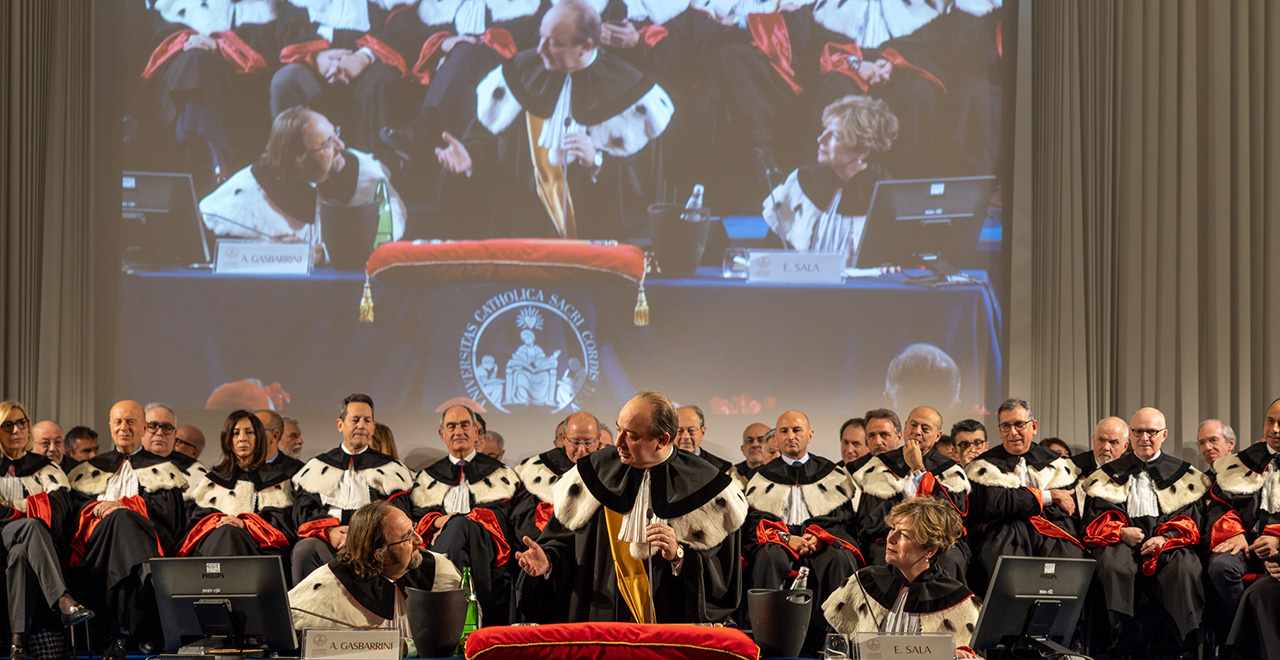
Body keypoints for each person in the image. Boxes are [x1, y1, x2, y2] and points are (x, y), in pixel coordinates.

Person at [434, 0, 674, 240]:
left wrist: (597, 160)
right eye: (541, 37)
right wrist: (470, 160)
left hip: (591, 233)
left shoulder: (631, 92)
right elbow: (490, 146)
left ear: (586, 46)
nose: (540, 50)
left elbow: (642, 187)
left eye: (554, 43)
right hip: (523, 231)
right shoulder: (517, 75)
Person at [515, 389, 747, 624]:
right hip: (601, 619)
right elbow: (565, 544)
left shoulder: (709, 488)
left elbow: (722, 580)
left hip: (668, 622)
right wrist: (548, 562)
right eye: (619, 430)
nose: (618, 443)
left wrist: (678, 555)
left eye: (631, 436)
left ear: (662, 440)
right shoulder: (592, 474)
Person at [1079, 406, 1210, 657]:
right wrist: (1120, 532)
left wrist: (1165, 538)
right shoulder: (1107, 475)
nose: (1144, 438)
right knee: (1113, 566)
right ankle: (1120, 641)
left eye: (1151, 432)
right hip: (1121, 542)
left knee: (1185, 569)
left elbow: (1191, 522)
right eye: (1138, 432)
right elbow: (1094, 521)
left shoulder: (1184, 474)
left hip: (1167, 544)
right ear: (1130, 434)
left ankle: (1181, 644)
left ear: (1164, 434)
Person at [67, 400, 189, 659]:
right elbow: (75, 514)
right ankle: (148, 625)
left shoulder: (163, 469)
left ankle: (118, 637)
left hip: (144, 542)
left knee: (124, 526)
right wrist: (103, 510)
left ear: (143, 428)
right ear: (110, 427)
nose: (124, 428)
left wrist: (123, 506)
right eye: (118, 422)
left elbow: (168, 520)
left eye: (131, 422)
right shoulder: (89, 469)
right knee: (122, 524)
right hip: (97, 547)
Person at [200, 106, 406, 256]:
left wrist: (319, 254)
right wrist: (263, 251)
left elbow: (387, 232)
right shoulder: (249, 190)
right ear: (299, 159)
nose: (341, 145)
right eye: (327, 144)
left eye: (336, 134)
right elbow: (216, 240)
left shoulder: (366, 174)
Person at [744, 409, 862, 649]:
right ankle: (768, 638)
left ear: (810, 435)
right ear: (776, 437)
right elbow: (755, 522)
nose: (791, 436)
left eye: (797, 430)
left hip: (819, 541)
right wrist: (787, 538)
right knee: (768, 556)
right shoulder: (761, 477)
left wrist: (819, 537)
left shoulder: (831, 474)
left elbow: (842, 519)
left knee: (839, 558)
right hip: (780, 541)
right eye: (784, 431)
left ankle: (831, 638)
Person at [822, 498, 979, 659]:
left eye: (904, 535)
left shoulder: (959, 602)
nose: (891, 538)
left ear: (929, 551)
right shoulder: (863, 583)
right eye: (892, 528)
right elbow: (834, 650)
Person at [0, 402, 96, 660]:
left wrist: (11, 508)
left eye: (22, 423)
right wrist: (26, 507)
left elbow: (57, 510)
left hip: (32, 545)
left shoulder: (46, 467)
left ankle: (17, 642)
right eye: (8, 425)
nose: (17, 430)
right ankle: (63, 599)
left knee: (20, 554)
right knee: (31, 524)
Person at [412, 404, 522, 625]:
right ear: (442, 434)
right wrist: (438, 521)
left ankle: (435, 587)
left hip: (485, 549)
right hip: (449, 547)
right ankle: (461, 624)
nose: (458, 431)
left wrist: (456, 521)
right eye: (451, 426)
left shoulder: (501, 473)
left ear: (476, 432)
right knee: (458, 555)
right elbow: (417, 516)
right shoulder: (427, 477)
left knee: (459, 524)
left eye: (465, 425)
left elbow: (504, 516)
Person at [291, 393, 416, 585]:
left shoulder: (391, 470)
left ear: (373, 427)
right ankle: (303, 605)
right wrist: (330, 532)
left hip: (373, 545)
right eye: (355, 420)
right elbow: (304, 513)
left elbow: (398, 515)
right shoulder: (317, 467)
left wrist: (365, 536)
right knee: (304, 549)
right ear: (340, 425)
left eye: (367, 420)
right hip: (329, 542)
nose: (361, 426)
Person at [289, 501, 461, 637]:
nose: (419, 540)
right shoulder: (327, 587)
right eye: (407, 538)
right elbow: (294, 636)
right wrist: (347, 641)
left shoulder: (439, 571)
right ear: (381, 556)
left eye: (413, 529)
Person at [763, 95, 897, 269]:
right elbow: (769, 257)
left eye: (834, 136)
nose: (820, 139)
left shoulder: (886, 193)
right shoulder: (802, 182)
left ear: (862, 152)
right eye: (824, 130)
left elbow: (897, 260)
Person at [965, 398, 1084, 590]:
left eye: (1019, 424)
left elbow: (1066, 509)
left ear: (1033, 427)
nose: (1013, 432)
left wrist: (1016, 504)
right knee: (1001, 561)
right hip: (1005, 534)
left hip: (1051, 533)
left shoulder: (1057, 463)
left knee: (1069, 559)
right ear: (1000, 431)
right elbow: (992, 504)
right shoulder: (983, 466)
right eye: (1005, 426)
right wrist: (1050, 496)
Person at [850, 407, 969, 582]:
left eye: (925, 428)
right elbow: (870, 520)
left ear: (937, 435)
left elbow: (950, 517)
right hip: (889, 537)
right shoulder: (881, 465)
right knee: (881, 556)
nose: (917, 432)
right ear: (905, 427)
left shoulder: (950, 470)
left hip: (934, 542)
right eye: (913, 425)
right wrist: (903, 534)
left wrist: (918, 469)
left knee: (950, 560)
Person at [1204, 398, 1280, 643]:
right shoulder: (1241, 462)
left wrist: (1277, 540)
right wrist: (1234, 532)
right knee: (1221, 567)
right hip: (1246, 545)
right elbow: (1220, 506)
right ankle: (1243, 639)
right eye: (1270, 421)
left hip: (1278, 546)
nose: (1274, 429)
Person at [177, 410, 295, 557]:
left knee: (230, 533)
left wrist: (245, 524)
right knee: (226, 532)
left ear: (259, 438)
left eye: (249, 432)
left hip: (255, 551)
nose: (242, 438)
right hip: (213, 545)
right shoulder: (212, 481)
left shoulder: (277, 482)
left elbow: (282, 532)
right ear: (228, 440)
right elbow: (195, 527)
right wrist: (221, 522)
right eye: (235, 433)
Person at [512, 411, 601, 545]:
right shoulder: (541, 469)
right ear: (564, 438)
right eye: (575, 443)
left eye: (588, 443)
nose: (581, 450)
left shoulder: (609, 469)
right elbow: (524, 524)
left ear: (598, 438)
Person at [144, 402, 207, 478]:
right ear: (141, 429)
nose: (159, 433)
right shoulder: (130, 466)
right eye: (152, 426)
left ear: (174, 434)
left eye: (167, 428)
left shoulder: (197, 475)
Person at [676, 405, 735, 475]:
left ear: (702, 432)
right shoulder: (664, 464)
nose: (685, 436)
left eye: (691, 430)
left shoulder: (722, 469)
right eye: (679, 430)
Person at [255, 409, 305, 475]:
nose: (300, 441)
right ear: (275, 436)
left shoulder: (301, 470)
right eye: (292, 436)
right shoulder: (245, 466)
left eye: (299, 436)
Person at [734, 422, 773, 486]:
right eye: (749, 441)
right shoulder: (732, 475)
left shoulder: (783, 473)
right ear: (743, 449)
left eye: (761, 440)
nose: (755, 445)